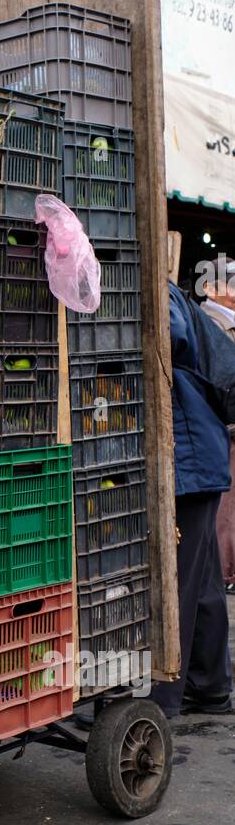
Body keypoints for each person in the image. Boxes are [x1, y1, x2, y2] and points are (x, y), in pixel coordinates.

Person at [149, 281, 235, 719]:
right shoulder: (169, 291)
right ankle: (210, 686)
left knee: (176, 580)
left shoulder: (155, 291)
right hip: (199, 454)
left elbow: (170, 338)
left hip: (188, 458)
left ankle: (162, 698)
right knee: (201, 580)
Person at [200, 260, 235, 589]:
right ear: (210, 289)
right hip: (224, 430)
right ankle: (223, 572)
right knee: (226, 505)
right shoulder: (210, 322)